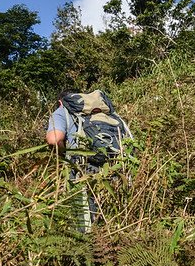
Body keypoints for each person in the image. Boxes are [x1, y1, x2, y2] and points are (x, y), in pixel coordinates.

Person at [46, 89, 132, 232]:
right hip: (115, 167)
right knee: (115, 218)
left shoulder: (62, 111)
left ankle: (88, 246)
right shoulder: (106, 112)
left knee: (84, 223)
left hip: (83, 169)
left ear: (61, 102)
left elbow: (54, 140)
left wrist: (63, 154)